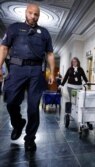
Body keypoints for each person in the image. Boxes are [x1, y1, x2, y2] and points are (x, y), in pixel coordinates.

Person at [0, 3, 55, 152]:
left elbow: (50, 54)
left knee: (33, 108)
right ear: (26, 13)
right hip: (17, 69)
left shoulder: (44, 32)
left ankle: (30, 139)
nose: (33, 16)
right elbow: (4, 48)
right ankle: (18, 123)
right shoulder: (14, 28)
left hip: (36, 71)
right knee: (11, 101)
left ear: (38, 16)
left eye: (36, 14)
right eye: (31, 13)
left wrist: (52, 74)